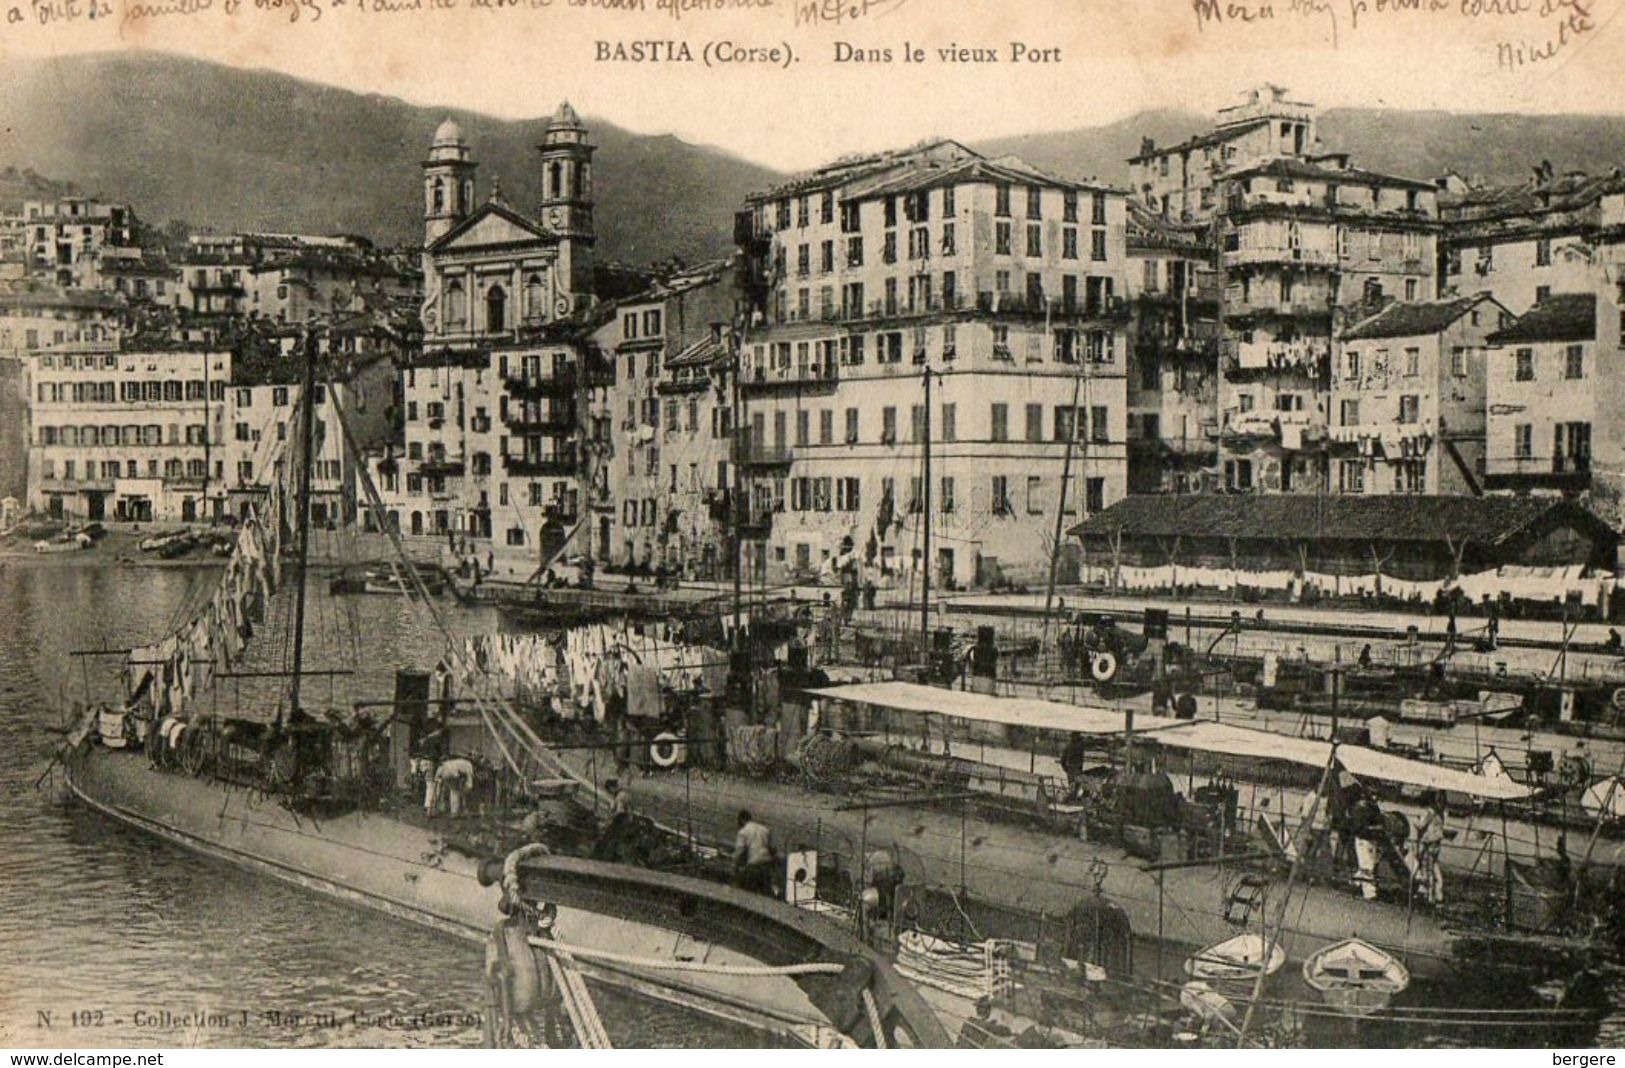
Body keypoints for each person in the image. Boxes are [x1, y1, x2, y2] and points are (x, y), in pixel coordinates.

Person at [1409, 793, 1447, 906]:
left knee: (1427, 870)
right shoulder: (1441, 814)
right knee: (1433, 868)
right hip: (1436, 844)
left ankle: (1429, 896)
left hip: (1428, 844)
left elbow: (1421, 825)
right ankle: (1437, 894)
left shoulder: (1429, 812)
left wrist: (1414, 820)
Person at [732, 809, 776, 896]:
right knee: (765, 891)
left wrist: (734, 866)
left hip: (754, 864)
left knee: (746, 890)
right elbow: (771, 848)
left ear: (741, 820)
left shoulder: (743, 832)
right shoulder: (765, 830)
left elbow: (739, 852)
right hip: (767, 863)